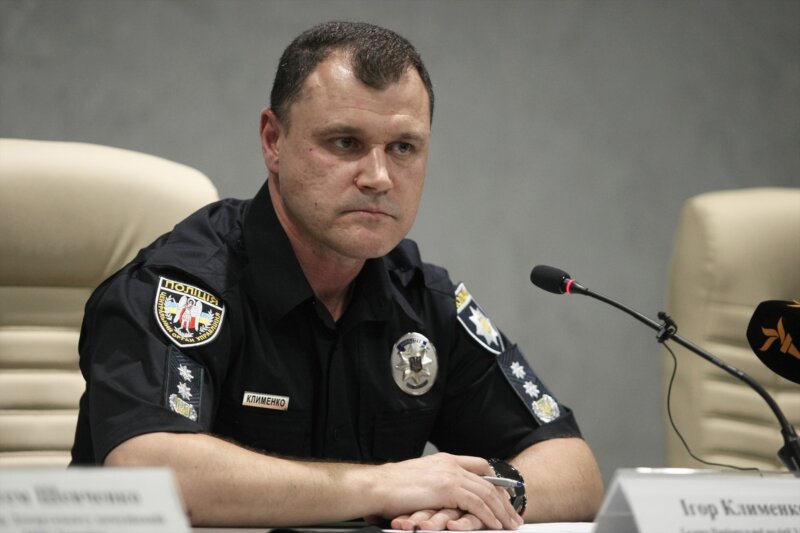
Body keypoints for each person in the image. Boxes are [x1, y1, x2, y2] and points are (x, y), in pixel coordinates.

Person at [71, 21, 603, 530]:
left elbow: (574, 467)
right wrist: (383, 486)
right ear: (273, 140)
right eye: (345, 142)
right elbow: (147, 471)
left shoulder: (424, 300)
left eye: (403, 147)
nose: (378, 177)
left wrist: (490, 496)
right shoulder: (185, 288)